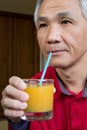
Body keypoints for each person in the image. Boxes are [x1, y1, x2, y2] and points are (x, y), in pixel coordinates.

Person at [1, 0, 87, 129]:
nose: (51, 37)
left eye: (65, 21)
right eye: (43, 25)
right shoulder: (28, 94)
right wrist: (18, 123)